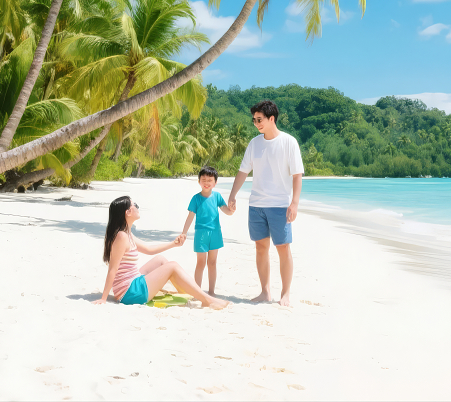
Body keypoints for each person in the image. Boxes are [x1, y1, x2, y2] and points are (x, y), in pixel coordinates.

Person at [228, 100, 304, 306]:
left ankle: (285, 293)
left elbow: (298, 175)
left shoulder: (289, 142)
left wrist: (294, 203)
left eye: (259, 119)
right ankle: (265, 292)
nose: (256, 123)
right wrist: (233, 194)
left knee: (282, 248)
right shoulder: (254, 144)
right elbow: (243, 171)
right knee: (261, 248)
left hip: (280, 205)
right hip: (257, 205)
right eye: (254, 120)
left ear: (272, 119)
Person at [93, 196, 228, 310]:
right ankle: (207, 299)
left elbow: (149, 249)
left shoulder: (127, 234)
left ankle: (187, 292)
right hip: (130, 293)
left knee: (161, 260)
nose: (138, 208)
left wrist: (173, 244)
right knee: (173, 266)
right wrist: (103, 298)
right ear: (128, 212)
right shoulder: (121, 237)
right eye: (135, 205)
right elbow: (113, 269)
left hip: (133, 282)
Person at [180, 166, 234, 295]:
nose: (206, 182)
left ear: (215, 183)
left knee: (212, 262)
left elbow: (226, 211)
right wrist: (184, 232)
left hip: (215, 233)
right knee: (201, 262)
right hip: (201, 233)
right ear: (199, 181)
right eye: (203, 179)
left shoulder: (217, 196)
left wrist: (232, 210)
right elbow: (190, 217)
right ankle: (197, 291)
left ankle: (211, 291)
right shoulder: (196, 198)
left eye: (210, 180)